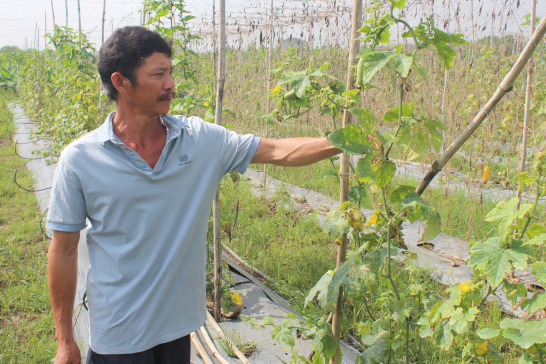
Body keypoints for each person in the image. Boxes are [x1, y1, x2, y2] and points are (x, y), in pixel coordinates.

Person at [47, 26, 341, 364]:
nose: (171, 83)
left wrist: (344, 140)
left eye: (170, 71)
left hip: (178, 328)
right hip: (118, 334)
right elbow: (64, 250)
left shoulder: (200, 140)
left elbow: (278, 151)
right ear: (121, 82)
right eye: (158, 74)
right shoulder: (81, 158)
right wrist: (65, 341)